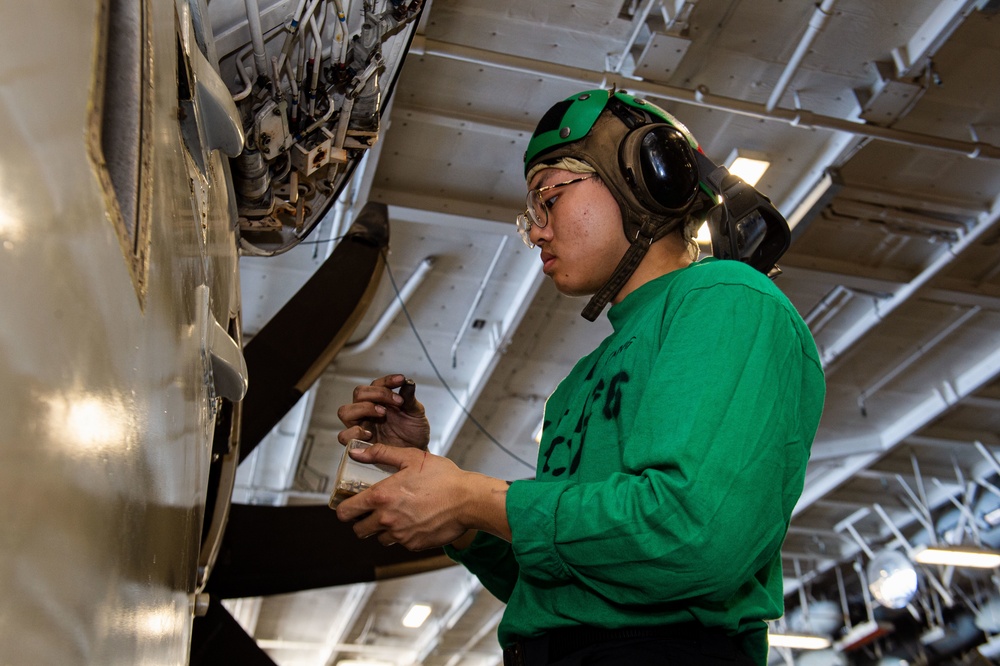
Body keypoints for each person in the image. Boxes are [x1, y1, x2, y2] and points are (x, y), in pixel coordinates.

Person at [334, 87, 826, 666]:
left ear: (647, 176)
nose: (537, 231)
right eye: (531, 216)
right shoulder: (578, 384)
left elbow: (691, 536)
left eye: (548, 199)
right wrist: (447, 506)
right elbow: (561, 582)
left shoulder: (727, 299)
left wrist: (469, 497)